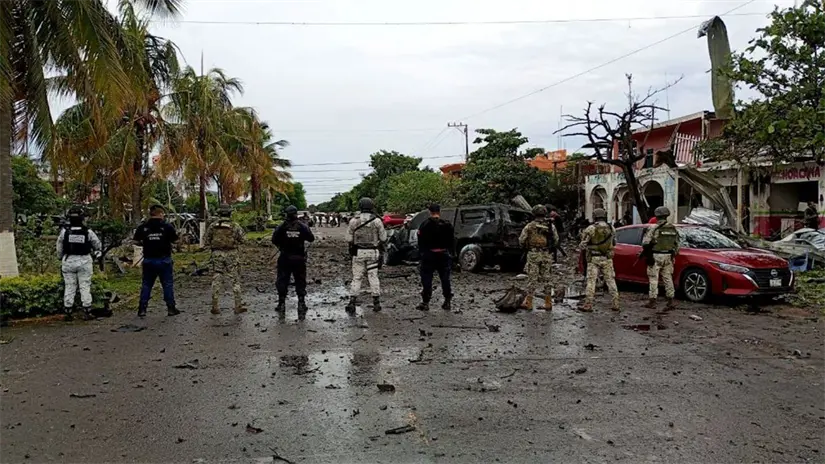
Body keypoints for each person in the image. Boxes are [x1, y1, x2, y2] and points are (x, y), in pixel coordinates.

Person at [57, 206, 102, 321]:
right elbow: (97, 245)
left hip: (69, 260)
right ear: (82, 218)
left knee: (69, 286)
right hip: (84, 260)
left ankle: (68, 311)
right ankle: (87, 310)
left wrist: (61, 257)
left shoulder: (64, 231)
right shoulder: (88, 231)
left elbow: (59, 247)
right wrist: (97, 253)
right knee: (85, 285)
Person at [134, 204, 180, 317]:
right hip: (164, 260)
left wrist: (145, 243)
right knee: (167, 284)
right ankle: (171, 308)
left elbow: (135, 241)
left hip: (149, 260)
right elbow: (175, 241)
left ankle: (142, 309)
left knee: (146, 285)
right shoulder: (167, 227)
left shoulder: (143, 227)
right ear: (160, 214)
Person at [272, 205, 316, 320]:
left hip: (285, 257)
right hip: (299, 258)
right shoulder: (302, 226)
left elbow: (274, 240)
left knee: (282, 280)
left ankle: (281, 303)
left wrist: (282, 245)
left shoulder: (281, 227)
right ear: (296, 213)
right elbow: (311, 238)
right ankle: (301, 303)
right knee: (300, 280)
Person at [345, 197, 387, 313]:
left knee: (357, 277)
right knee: (373, 276)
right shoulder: (377, 221)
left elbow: (348, 238)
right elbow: (383, 238)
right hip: (373, 253)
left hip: (358, 253)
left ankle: (352, 302)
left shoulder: (354, 221)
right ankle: (376, 303)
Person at [204, 204, 246, 315]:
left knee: (216, 278)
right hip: (232, 254)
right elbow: (243, 239)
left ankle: (215, 306)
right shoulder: (235, 226)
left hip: (216, 254)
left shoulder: (213, 226)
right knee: (235, 279)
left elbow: (206, 240)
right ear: (230, 213)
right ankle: (238, 306)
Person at [578, 208, 619, 312]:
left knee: (591, 281)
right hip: (607, 258)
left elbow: (583, 245)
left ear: (594, 216)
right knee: (610, 280)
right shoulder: (611, 228)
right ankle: (616, 304)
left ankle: (588, 304)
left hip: (594, 258)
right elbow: (614, 243)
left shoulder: (591, 228)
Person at [416, 204, 455, 311]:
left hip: (429, 255)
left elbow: (420, 242)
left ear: (430, 212)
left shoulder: (425, 225)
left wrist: (421, 254)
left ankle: (425, 302)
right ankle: (447, 301)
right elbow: (452, 241)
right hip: (443, 254)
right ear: (439, 211)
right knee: (445, 278)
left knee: (427, 278)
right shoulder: (447, 225)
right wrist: (452, 255)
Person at [518, 205, 559, 310]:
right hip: (546, 254)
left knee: (532, 278)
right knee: (547, 279)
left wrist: (525, 247)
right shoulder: (550, 226)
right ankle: (548, 303)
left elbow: (522, 240)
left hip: (533, 254)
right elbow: (556, 240)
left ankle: (529, 302)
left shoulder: (529, 226)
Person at [642, 206, 680, 310]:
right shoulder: (673, 228)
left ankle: (652, 301)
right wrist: (672, 254)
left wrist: (647, 254)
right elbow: (677, 245)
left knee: (654, 279)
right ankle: (670, 301)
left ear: (657, 216)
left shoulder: (653, 228)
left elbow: (645, 243)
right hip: (668, 256)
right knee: (668, 278)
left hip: (656, 255)